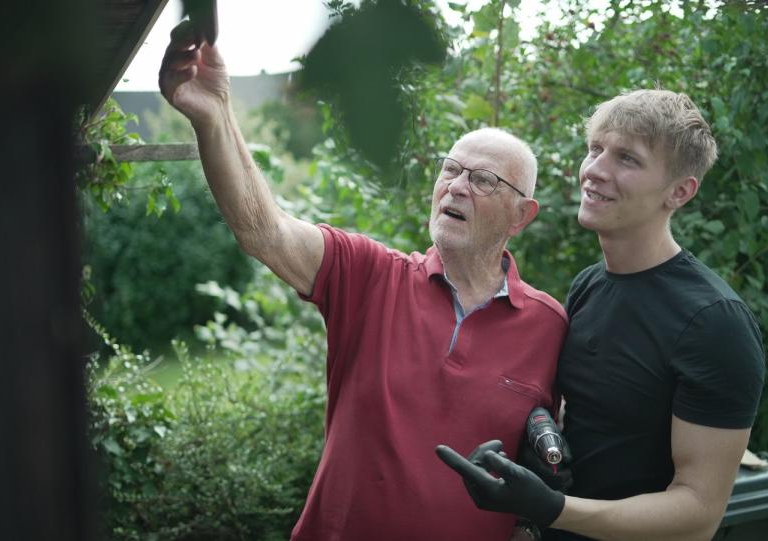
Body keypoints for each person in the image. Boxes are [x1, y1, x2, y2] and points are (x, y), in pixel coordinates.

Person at [158, 20, 569, 541]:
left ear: (520, 216)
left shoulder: (551, 327)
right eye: (450, 169)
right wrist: (215, 115)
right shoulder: (371, 277)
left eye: (483, 179)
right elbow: (265, 230)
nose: (457, 186)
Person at [436, 89, 765, 541]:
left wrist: (554, 508)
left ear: (680, 191)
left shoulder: (715, 322)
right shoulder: (590, 285)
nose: (594, 171)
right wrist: (542, 432)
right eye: (595, 149)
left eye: (627, 159)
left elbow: (699, 512)